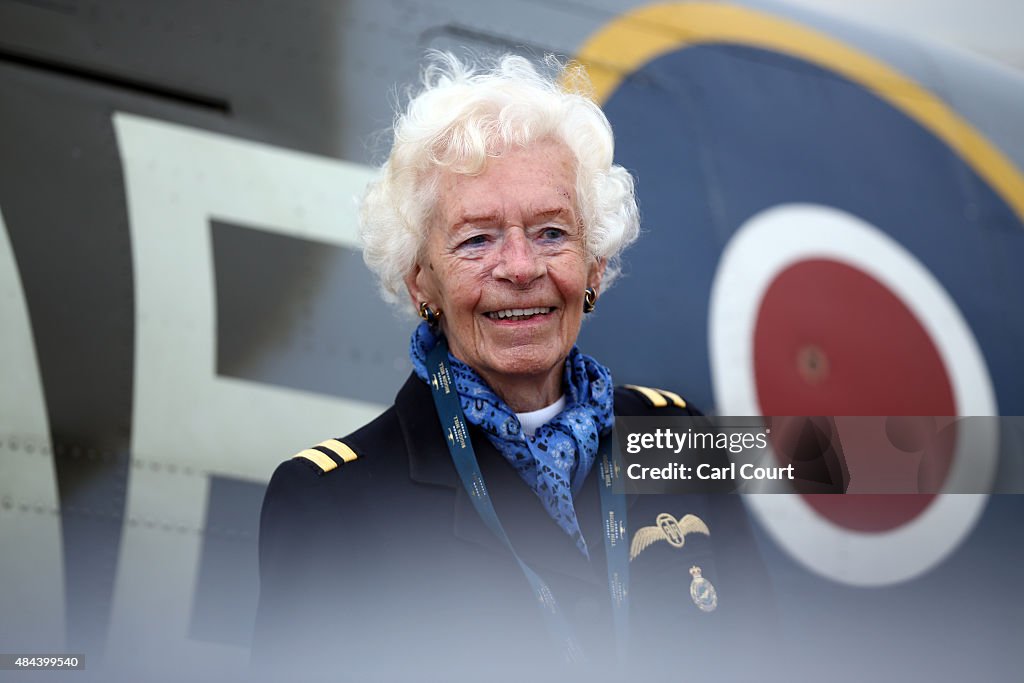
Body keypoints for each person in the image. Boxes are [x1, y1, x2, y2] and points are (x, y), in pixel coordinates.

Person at [253, 53, 776, 682]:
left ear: (595, 267)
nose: (522, 267)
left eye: (552, 233)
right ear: (423, 284)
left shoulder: (680, 442)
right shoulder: (335, 503)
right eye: (477, 239)